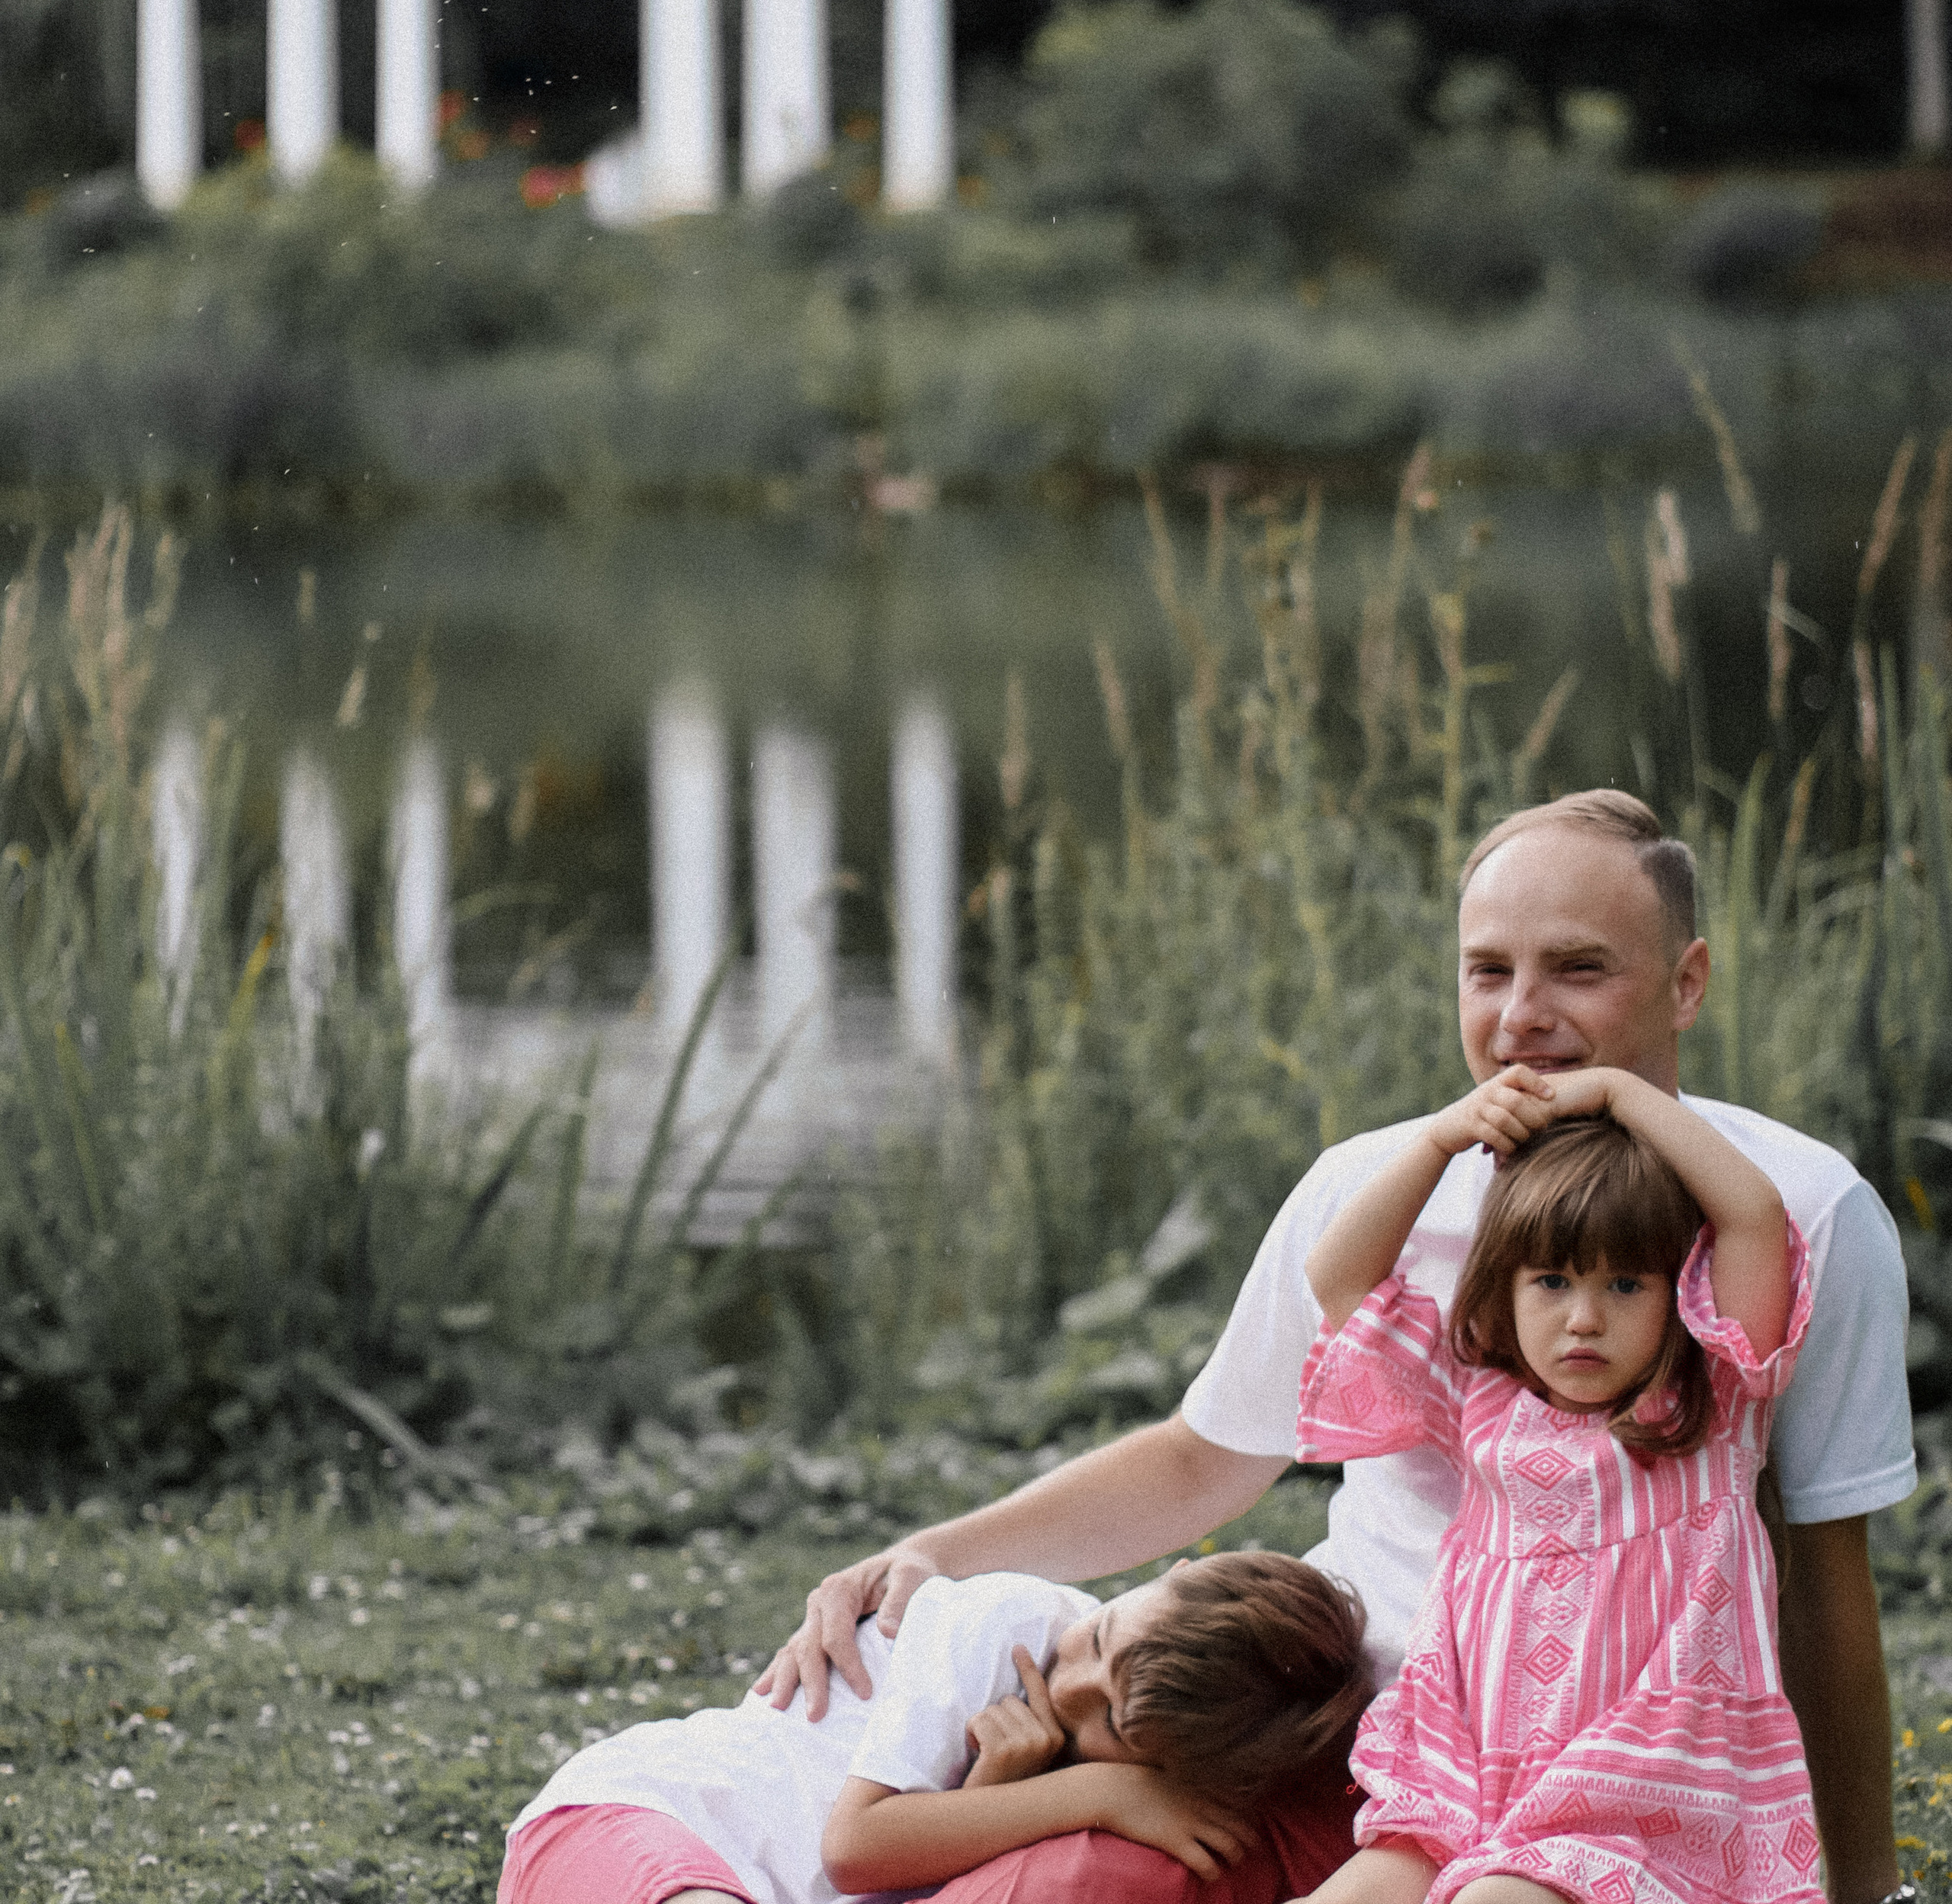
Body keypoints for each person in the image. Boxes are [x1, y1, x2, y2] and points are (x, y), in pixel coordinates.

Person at [757, 790, 1916, 1904]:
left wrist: (1864, 1889)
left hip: (1630, 1751)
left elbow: (1827, 1573)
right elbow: (1204, 1459)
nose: (1523, 1015)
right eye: (1488, 972)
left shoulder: (1805, 1213)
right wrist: (937, 1551)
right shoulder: (1378, 1191)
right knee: (1092, 1879)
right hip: (1372, 1744)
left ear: (1687, 982)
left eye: (1579, 968)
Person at [1294, 1066, 1816, 1904]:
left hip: (1639, 1800)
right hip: (1468, 1782)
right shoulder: (1480, 1404)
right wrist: (1439, 1137)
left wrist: (1614, 1089)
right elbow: (1338, 1277)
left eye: (1624, 1284)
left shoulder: (1708, 1408)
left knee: (1494, 1901)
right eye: (1551, 1280)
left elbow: (1750, 1212)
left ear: (1677, 1291)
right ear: (1502, 1285)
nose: (1583, 1317)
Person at [497, 1550, 1371, 1904]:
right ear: (1168, 1573)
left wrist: (1006, 1788)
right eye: (1101, 1638)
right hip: (650, 1822)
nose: (1069, 1686)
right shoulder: (1005, 1617)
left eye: (1111, 1721)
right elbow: (856, 1847)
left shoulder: (1062, 1757)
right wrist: (1100, 1786)